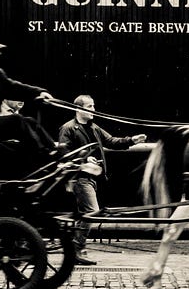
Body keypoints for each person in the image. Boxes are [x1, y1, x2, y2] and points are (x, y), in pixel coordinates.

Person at [55, 94, 147, 265]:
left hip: (91, 177)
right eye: (90, 106)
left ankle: (75, 249)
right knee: (92, 212)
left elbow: (111, 141)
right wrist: (84, 160)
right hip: (79, 178)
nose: (93, 110)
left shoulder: (93, 127)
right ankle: (75, 249)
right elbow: (64, 153)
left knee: (85, 214)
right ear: (78, 108)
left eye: (93, 106)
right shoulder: (68, 128)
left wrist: (132, 140)